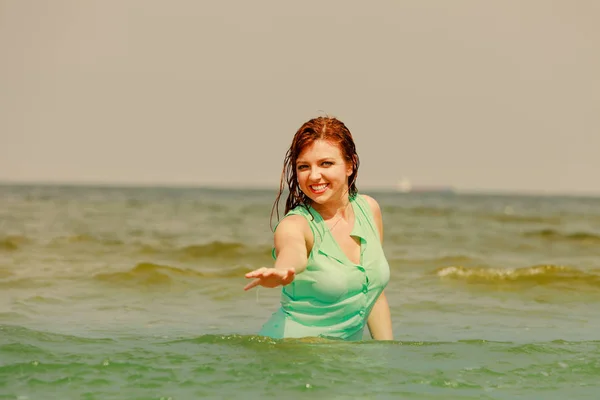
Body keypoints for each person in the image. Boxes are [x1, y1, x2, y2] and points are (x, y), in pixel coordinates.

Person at [244, 116, 393, 341]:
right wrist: (282, 273)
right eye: (304, 167)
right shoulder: (295, 225)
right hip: (291, 359)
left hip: (340, 364)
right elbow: (292, 255)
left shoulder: (369, 209)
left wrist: (386, 358)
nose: (314, 176)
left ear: (350, 165)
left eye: (326, 164)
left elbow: (374, 293)